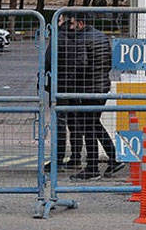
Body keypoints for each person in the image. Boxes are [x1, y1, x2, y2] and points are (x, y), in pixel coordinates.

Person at [65, 15, 125, 180]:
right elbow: (109, 62)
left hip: (88, 89)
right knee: (94, 124)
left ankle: (92, 168)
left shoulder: (81, 39)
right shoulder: (102, 37)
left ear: (81, 23)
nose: (70, 27)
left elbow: (81, 65)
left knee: (88, 126)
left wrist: (71, 81)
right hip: (102, 86)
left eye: (72, 24)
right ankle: (114, 158)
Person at [45, 16, 84, 174]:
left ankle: (58, 160)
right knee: (75, 123)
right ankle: (76, 157)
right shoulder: (80, 37)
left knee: (59, 124)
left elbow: (48, 60)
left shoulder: (58, 37)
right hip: (76, 85)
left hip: (60, 85)